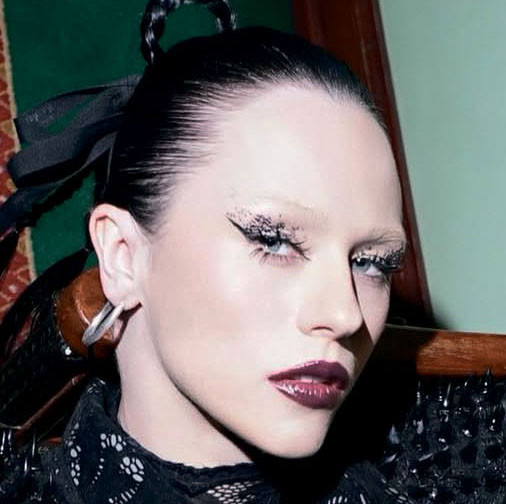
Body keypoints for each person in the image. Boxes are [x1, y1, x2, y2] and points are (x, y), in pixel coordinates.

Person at [0, 0, 411, 502]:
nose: (346, 316)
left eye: (371, 263)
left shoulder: (454, 467)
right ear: (123, 255)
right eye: (274, 240)